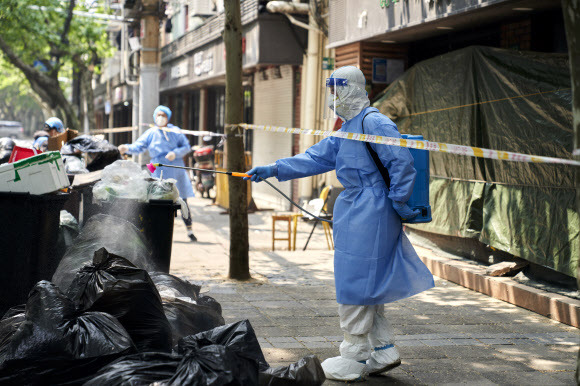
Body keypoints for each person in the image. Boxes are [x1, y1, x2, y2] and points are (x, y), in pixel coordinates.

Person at [245, 66, 435, 382]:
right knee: (366, 281)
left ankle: (354, 355)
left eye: (338, 88)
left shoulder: (374, 122)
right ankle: (383, 349)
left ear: (354, 88)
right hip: (357, 207)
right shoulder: (349, 126)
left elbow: (401, 163)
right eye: (331, 89)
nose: (333, 96)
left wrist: (399, 204)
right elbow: (316, 158)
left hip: (373, 208)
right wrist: (274, 168)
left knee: (356, 281)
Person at [118, 105, 197, 242]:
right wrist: (127, 148)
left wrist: (175, 153)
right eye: (158, 115)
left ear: (168, 117)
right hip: (157, 168)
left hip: (176, 168)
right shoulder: (151, 133)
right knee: (156, 200)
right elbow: (138, 146)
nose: (160, 118)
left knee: (182, 200)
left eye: (163, 115)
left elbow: (186, 147)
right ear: (155, 117)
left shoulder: (175, 131)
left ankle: (190, 231)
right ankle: (157, 231)